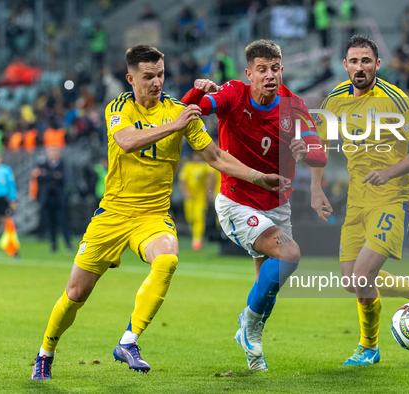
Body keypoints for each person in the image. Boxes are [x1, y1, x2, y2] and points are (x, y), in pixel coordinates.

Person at [31, 45, 287, 381]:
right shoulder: (118, 108)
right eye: (148, 76)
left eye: (161, 75)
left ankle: (128, 340)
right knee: (76, 294)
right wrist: (174, 125)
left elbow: (215, 156)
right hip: (112, 214)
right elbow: (126, 141)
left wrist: (258, 177)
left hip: (152, 216)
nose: (156, 82)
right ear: (131, 78)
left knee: (167, 258)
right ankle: (45, 353)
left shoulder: (178, 111)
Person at [180, 39, 327, 371]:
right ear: (249, 73)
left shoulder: (294, 106)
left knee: (269, 286)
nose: (270, 75)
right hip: (237, 202)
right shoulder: (233, 93)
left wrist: (307, 150)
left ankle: (250, 335)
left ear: (282, 70)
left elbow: (320, 153)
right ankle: (248, 325)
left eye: (275, 68)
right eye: (262, 70)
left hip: (277, 206)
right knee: (290, 254)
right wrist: (197, 91)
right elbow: (188, 110)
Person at [310, 35, 409, 366]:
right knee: (351, 282)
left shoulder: (395, 99)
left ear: (377, 65)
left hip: (393, 198)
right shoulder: (335, 99)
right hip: (357, 200)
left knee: (363, 276)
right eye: (353, 61)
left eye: (366, 61)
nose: (360, 67)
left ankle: (369, 347)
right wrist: (316, 188)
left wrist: (391, 171)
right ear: (345, 65)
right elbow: (318, 146)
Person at [36, 147, 73, 253]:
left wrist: (49, 175)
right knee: (50, 223)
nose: (53, 155)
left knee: (63, 222)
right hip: (47, 198)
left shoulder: (63, 165)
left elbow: (64, 178)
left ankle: (68, 244)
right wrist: (54, 176)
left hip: (60, 198)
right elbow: (40, 178)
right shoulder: (43, 165)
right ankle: (53, 244)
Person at [178, 151, 215, 251]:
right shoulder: (188, 167)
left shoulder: (205, 166)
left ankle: (197, 240)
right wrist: (186, 192)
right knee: (190, 218)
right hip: (190, 197)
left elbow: (211, 177)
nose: (197, 158)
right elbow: (182, 180)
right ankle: (195, 236)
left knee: (199, 217)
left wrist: (209, 191)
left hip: (200, 197)